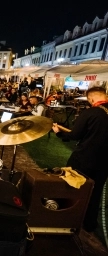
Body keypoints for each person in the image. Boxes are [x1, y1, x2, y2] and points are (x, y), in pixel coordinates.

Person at [52, 86, 108, 233]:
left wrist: (58, 133)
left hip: (84, 158)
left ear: (91, 98)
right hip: (104, 162)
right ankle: (89, 223)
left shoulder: (91, 112)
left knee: (71, 185)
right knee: (96, 192)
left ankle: (65, 217)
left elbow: (75, 135)